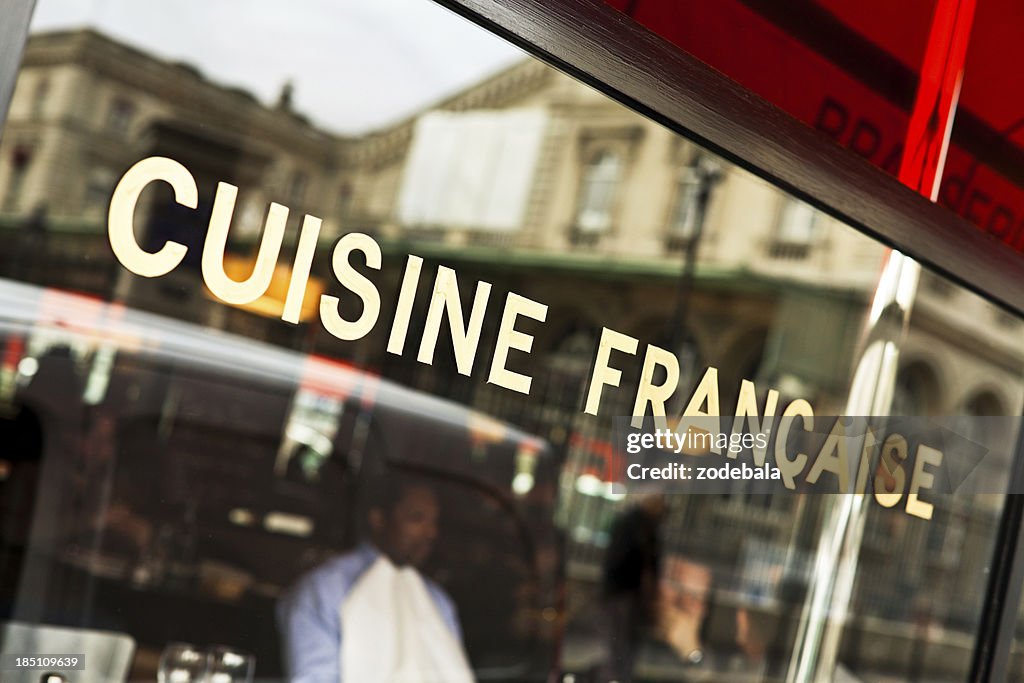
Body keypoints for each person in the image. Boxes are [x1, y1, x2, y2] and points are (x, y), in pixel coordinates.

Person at [276, 473, 470, 683]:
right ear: (378, 519)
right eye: (416, 518)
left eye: (434, 522)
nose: (430, 532)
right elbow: (314, 677)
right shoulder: (326, 588)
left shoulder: (438, 601)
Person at [598, 493, 666, 682]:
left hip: (625, 593)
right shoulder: (637, 526)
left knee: (623, 645)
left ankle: (618, 677)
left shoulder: (643, 525)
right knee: (620, 645)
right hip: (624, 592)